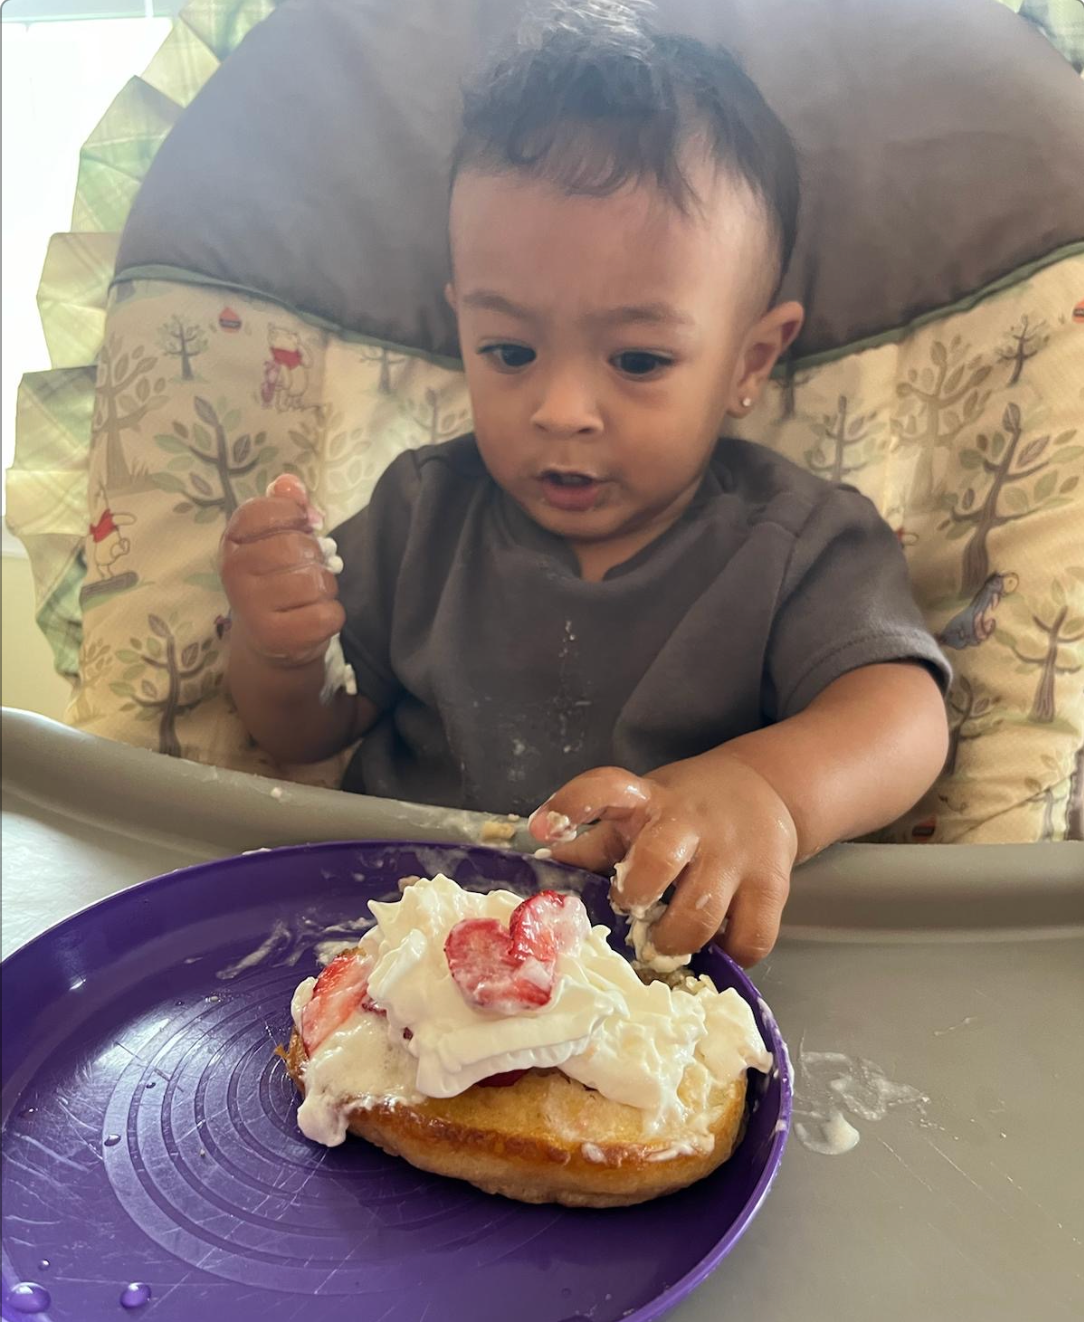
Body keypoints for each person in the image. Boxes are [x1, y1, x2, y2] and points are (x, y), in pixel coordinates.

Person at [221, 2, 949, 966]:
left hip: (656, 975)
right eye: (509, 349)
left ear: (750, 359)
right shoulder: (421, 511)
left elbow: (902, 716)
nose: (561, 408)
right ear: (462, 327)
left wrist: (763, 790)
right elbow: (306, 731)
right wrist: (279, 649)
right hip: (390, 943)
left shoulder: (797, 540)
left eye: (640, 360)